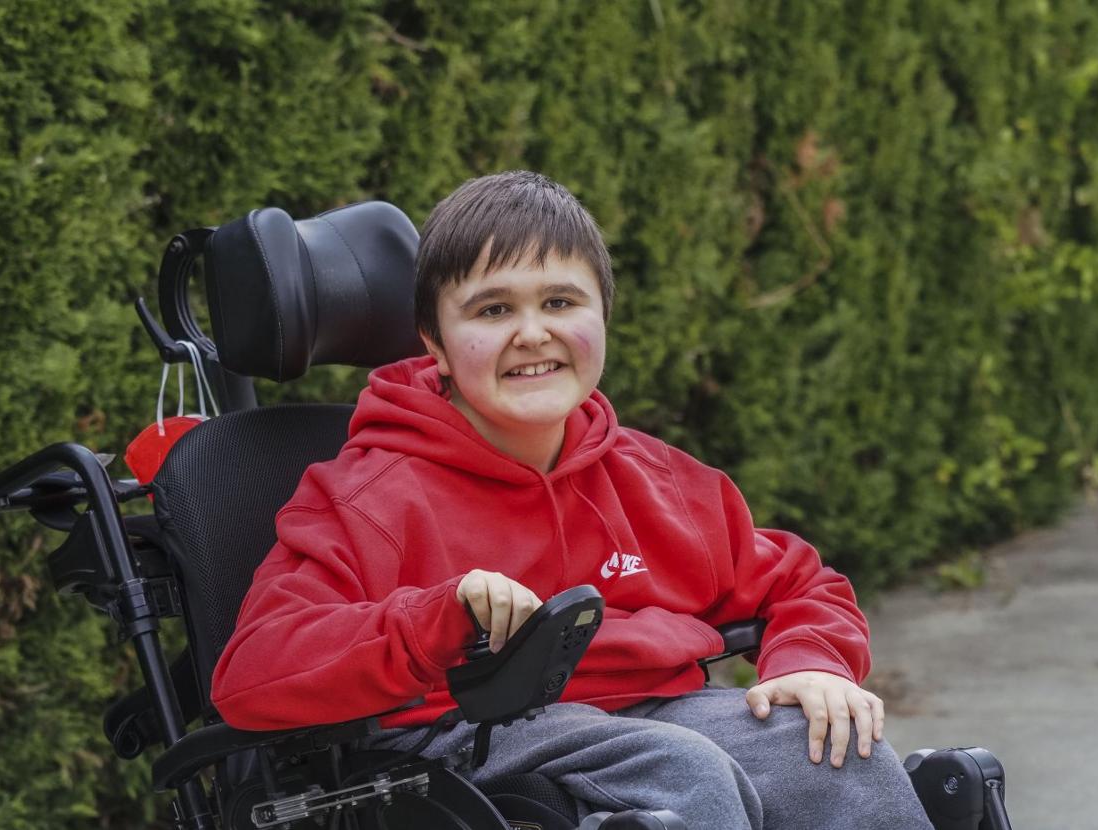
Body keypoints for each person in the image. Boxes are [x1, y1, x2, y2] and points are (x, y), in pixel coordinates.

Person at [210, 171, 932, 828]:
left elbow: (799, 581)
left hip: (661, 710)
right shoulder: (367, 497)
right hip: (465, 735)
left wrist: (811, 660)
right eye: (492, 310)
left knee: (840, 756)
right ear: (434, 341)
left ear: (603, 318)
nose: (533, 333)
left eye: (560, 301)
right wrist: (436, 619)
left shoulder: (658, 479)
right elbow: (253, 674)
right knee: (684, 774)